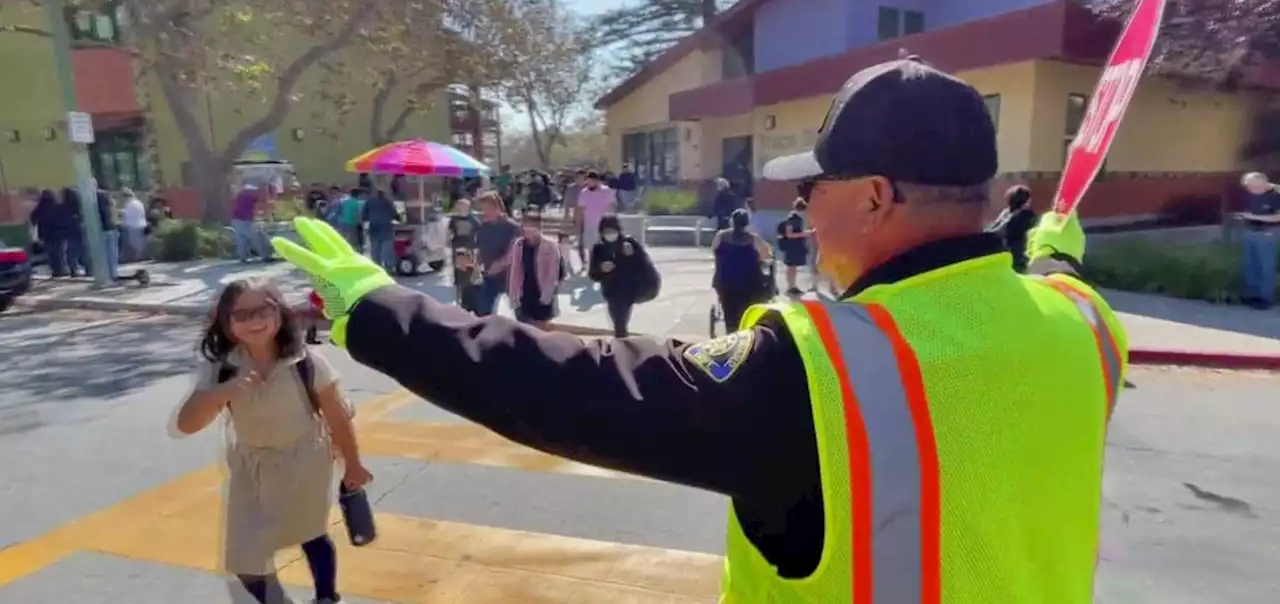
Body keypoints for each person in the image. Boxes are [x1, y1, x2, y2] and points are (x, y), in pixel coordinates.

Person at [270, 56, 1128, 603]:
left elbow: (569, 386)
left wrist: (381, 311)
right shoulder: (1084, 325)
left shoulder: (825, 368)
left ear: (872, 198)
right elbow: (1055, 278)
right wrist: (1047, 253)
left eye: (808, 192)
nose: (797, 212)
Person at [173, 278, 370, 604]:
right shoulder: (222, 367)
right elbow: (187, 424)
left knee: (311, 534)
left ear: (280, 313)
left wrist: (354, 465)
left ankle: (326, 598)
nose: (254, 320)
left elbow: (337, 417)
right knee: (245, 559)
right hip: (252, 466)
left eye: (263, 310)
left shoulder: (307, 363)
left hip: (305, 460)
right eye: (242, 314)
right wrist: (221, 393)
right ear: (226, 322)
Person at [588, 213, 660, 337]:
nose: (610, 234)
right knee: (618, 321)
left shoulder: (629, 243)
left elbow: (644, 264)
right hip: (611, 291)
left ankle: (621, 344)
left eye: (612, 230)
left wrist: (632, 254)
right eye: (606, 231)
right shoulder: (598, 249)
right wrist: (601, 268)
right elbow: (593, 274)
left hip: (628, 289)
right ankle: (622, 343)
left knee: (620, 321)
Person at [712, 208, 775, 331]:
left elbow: (714, 251)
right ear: (747, 223)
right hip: (749, 282)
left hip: (725, 280)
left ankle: (730, 328)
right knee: (752, 302)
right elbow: (766, 255)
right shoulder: (753, 239)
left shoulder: (721, 236)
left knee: (728, 308)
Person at [507, 207, 562, 330]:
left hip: (541, 294)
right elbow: (515, 271)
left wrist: (546, 297)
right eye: (526, 225)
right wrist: (513, 296)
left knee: (541, 332)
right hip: (523, 294)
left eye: (532, 225)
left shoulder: (550, 246)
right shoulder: (519, 244)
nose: (529, 229)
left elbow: (553, 273)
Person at [1235, 171, 1280, 309]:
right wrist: (1244, 217)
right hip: (1250, 231)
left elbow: (1277, 217)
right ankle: (1252, 296)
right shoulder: (1251, 194)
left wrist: (1254, 217)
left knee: (1265, 266)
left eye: (1252, 186)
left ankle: (1266, 298)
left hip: (1267, 233)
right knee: (1250, 265)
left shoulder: (1275, 196)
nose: (1250, 190)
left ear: (1262, 183)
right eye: (1248, 187)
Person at [473, 191, 520, 316]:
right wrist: (476, 263)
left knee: (521, 312)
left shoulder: (512, 227)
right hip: (490, 276)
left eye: (487, 208)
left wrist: (501, 263)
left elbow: (516, 251)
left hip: (512, 276)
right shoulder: (484, 227)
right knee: (483, 310)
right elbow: (480, 248)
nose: (484, 212)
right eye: (482, 209)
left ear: (498, 207)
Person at [986, 184, 1037, 273]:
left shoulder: (1006, 213)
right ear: (1026, 201)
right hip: (1018, 258)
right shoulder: (1025, 215)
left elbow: (994, 229)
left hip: (1004, 255)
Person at [577, 171, 615, 271]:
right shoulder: (584, 193)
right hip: (590, 223)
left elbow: (610, 206)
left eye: (591, 182)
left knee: (605, 246)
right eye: (588, 181)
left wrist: (611, 221)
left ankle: (606, 265)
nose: (589, 184)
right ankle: (593, 266)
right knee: (591, 247)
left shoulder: (606, 191)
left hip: (604, 223)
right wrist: (579, 223)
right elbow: (581, 209)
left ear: (597, 181)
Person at [776, 198, 812, 296]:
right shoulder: (793, 219)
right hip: (792, 246)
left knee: (792, 267)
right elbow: (789, 234)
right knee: (791, 267)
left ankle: (792, 286)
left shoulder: (794, 218)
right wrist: (804, 234)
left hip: (793, 246)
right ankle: (791, 287)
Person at [29, 190, 65, 277]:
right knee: (59, 251)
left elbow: (33, 219)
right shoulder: (56, 207)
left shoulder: (39, 208)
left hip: (46, 233)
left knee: (50, 252)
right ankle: (61, 269)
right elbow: (62, 218)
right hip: (57, 232)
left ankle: (55, 270)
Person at [362, 188, 399, 273]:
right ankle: (389, 268)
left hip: (374, 228)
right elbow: (394, 214)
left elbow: (364, 216)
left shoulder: (369, 202)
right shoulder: (388, 202)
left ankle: (376, 268)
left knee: (375, 249)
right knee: (387, 249)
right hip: (386, 228)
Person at [231, 183, 264, 263]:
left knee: (242, 240)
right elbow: (254, 208)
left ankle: (242, 258)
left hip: (236, 220)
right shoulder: (250, 197)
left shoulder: (239, 197)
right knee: (256, 238)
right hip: (244, 220)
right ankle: (265, 256)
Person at [120, 187, 148, 263]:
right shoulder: (138, 202)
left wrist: (122, 215)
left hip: (133, 225)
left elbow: (128, 215)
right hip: (140, 224)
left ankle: (138, 257)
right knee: (139, 241)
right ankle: (139, 256)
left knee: (134, 243)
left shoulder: (130, 204)